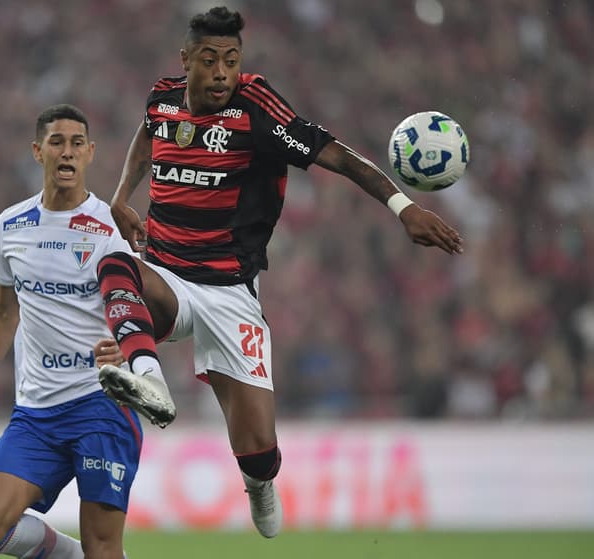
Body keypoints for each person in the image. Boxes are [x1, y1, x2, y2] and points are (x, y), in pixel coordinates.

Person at [94, 6, 464, 539]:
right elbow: (147, 132)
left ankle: (259, 483)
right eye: (209, 60)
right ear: (186, 60)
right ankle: (149, 381)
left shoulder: (256, 107)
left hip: (229, 294)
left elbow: (335, 155)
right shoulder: (162, 97)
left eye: (231, 60)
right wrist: (118, 199)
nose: (222, 73)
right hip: (167, 277)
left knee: (259, 452)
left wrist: (403, 208)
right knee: (114, 265)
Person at [0, 104, 140, 559]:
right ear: (37, 151)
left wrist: (131, 350)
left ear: (91, 154)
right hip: (37, 413)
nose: (67, 152)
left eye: (77, 144)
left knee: (106, 547)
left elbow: (148, 308)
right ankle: (70, 555)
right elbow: (5, 314)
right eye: (57, 142)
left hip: (100, 405)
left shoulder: (109, 230)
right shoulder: (11, 225)